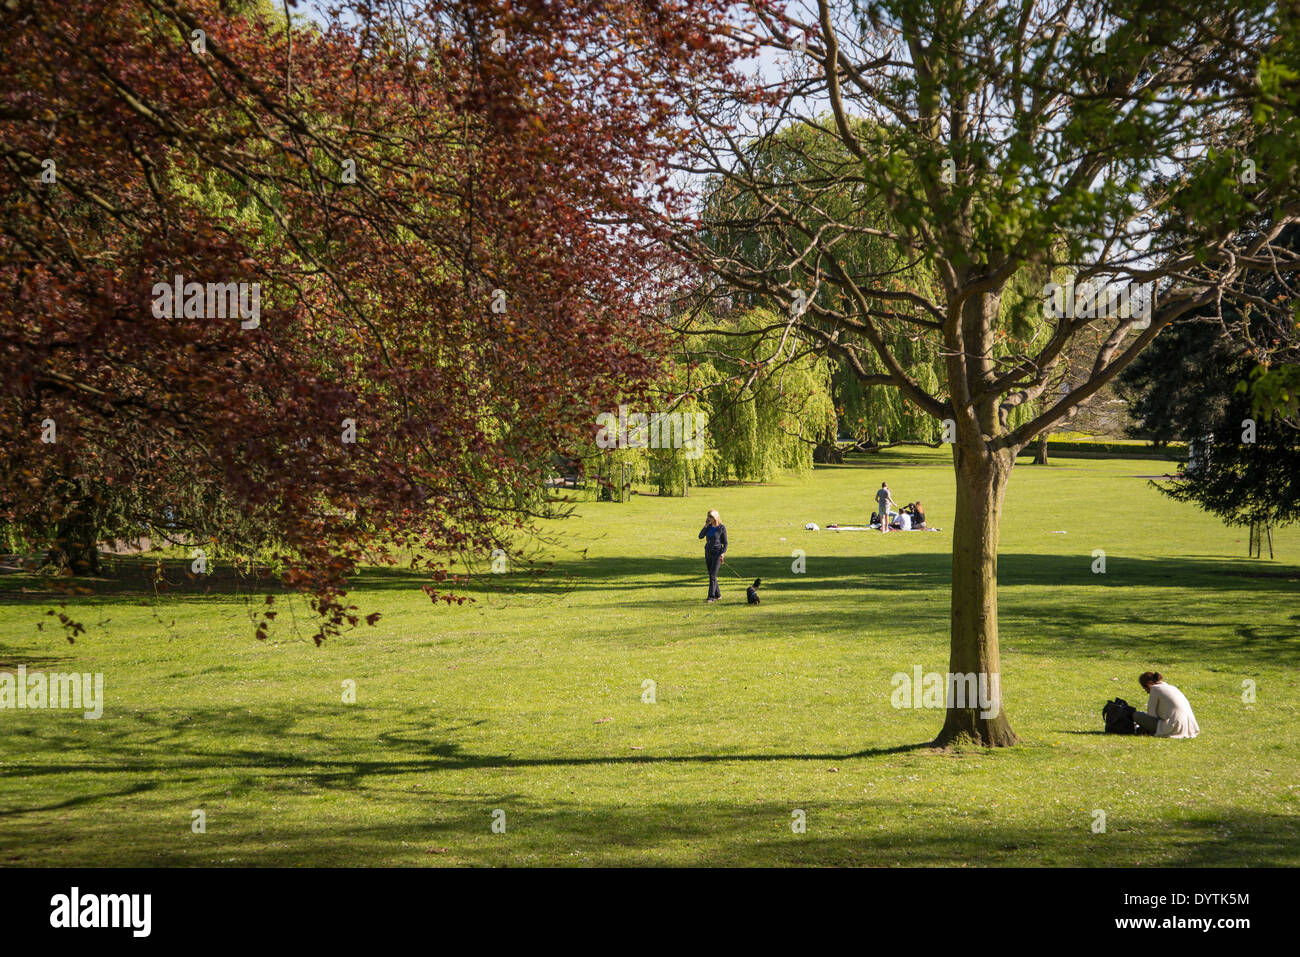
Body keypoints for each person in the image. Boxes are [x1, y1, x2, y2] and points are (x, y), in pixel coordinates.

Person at [1133, 672, 1200, 738]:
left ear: (1148, 684)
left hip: (1172, 727)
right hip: (1190, 727)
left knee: (1137, 715)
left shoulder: (1154, 689)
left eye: (1145, 689)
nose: (1147, 692)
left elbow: (1151, 715)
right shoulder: (1172, 687)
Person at [698, 509, 728, 603]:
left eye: (710, 516)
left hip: (717, 553)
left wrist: (723, 553)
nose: (708, 518)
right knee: (711, 574)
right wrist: (706, 526)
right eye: (707, 516)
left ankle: (711, 597)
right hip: (708, 552)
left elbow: (725, 543)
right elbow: (700, 536)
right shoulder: (708, 527)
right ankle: (718, 594)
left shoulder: (721, 528)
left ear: (715, 517)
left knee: (712, 575)